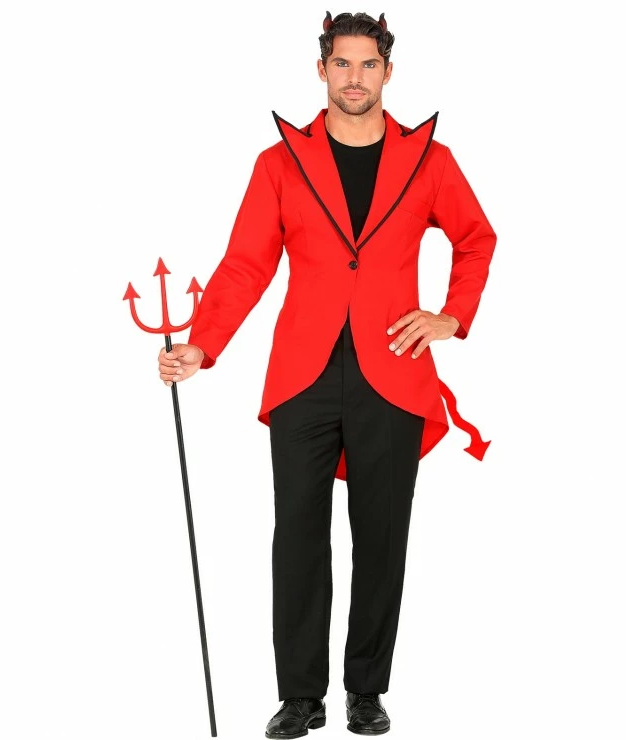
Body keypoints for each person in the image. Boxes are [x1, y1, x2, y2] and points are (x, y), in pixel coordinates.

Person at [158, 10, 497, 737]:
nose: (355, 78)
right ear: (321, 69)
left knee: (382, 537)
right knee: (298, 538)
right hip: (302, 376)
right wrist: (202, 346)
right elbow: (245, 264)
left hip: (394, 370)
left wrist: (451, 316)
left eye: (368, 64)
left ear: (388, 71)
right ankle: (301, 697)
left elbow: (476, 238)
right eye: (342, 63)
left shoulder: (429, 159)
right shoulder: (279, 163)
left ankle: (365, 692)